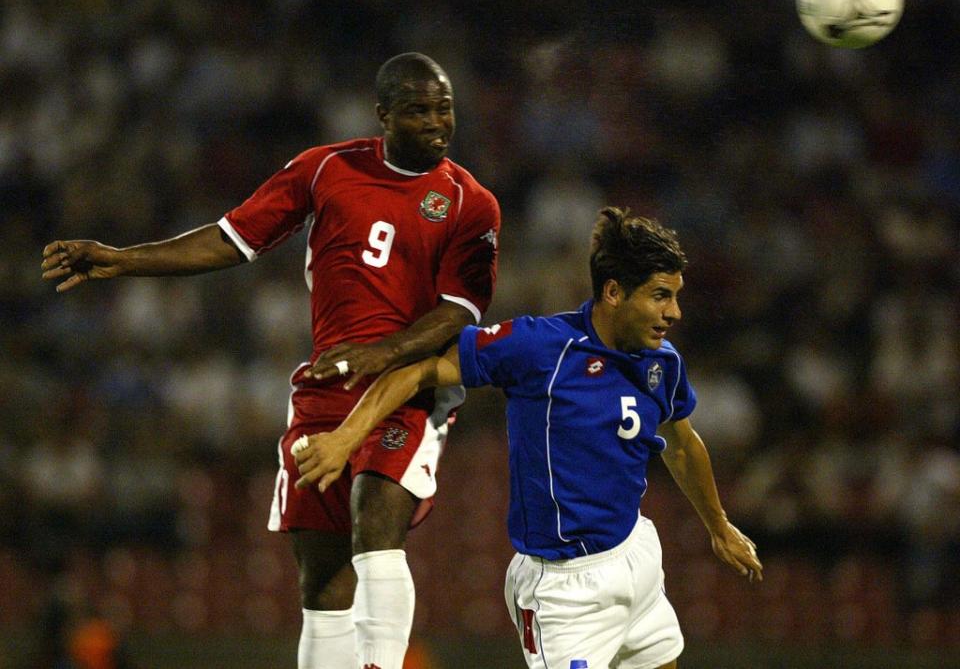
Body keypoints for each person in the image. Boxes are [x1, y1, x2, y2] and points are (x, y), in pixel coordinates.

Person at [41, 52, 500, 669]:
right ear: (383, 114)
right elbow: (230, 239)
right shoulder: (326, 170)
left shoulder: (471, 203)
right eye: (418, 110)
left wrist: (380, 353)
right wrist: (121, 259)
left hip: (406, 385)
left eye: (444, 109)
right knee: (322, 581)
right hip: (325, 387)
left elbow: (459, 311)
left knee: (376, 520)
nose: (436, 123)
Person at [292, 207, 762, 669]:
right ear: (615, 292)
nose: (674, 312)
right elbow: (419, 372)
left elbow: (681, 443)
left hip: (635, 554)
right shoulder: (540, 347)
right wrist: (344, 439)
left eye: (676, 296)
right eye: (661, 296)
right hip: (563, 591)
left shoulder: (663, 362)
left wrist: (719, 527)